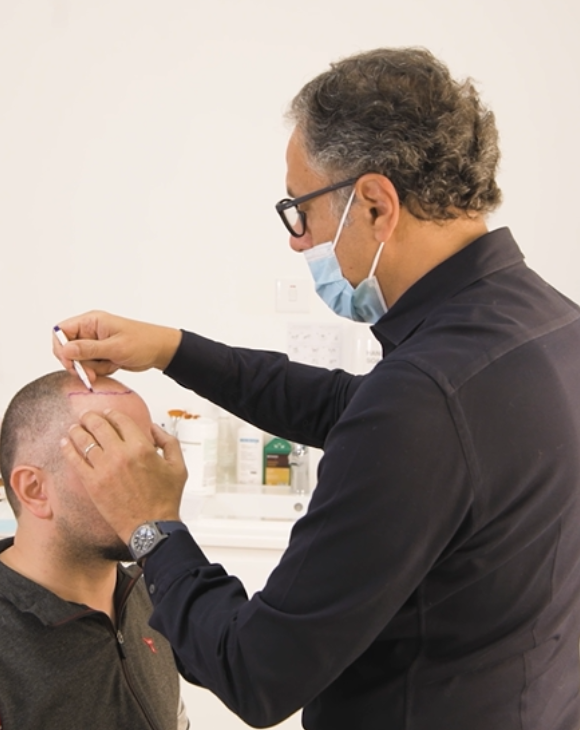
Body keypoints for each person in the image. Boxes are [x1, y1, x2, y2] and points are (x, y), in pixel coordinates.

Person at [53, 47, 580, 730]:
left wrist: (153, 526)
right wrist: (173, 349)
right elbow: (354, 407)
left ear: (374, 204)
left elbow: (255, 672)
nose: (299, 242)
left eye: (301, 210)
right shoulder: (547, 326)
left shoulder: (424, 399)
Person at [0, 370, 189, 730]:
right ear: (35, 489)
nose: (149, 480)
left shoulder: (153, 592)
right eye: (111, 459)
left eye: (148, 455)